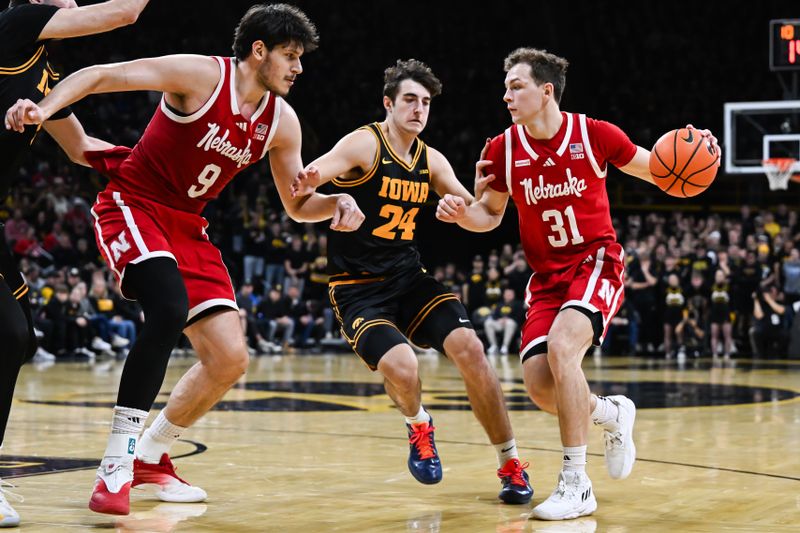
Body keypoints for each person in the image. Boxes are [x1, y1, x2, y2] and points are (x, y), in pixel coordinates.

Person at [6, 2, 364, 516]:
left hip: (188, 225)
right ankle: (116, 464)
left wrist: (337, 204)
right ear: (258, 51)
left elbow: (296, 204)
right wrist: (44, 108)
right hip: (135, 202)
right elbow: (102, 73)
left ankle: (152, 453)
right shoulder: (200, 74)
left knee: (229, 358)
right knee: (169, 309)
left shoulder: (283, 123)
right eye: (290, 55)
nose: (298, 68)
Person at [436, 47, 719, 520]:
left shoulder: (595, 135)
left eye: (516, 86)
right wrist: (463, 214)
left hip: (595, 262)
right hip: (546, 279)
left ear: (546, 90)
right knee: (542, 387)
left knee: (565, 348)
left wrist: (701, 150)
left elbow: (663, 171)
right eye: (505, 86)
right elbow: (489, 216)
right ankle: (611, 413)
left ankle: (576, 482)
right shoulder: (501, 149)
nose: (506, 94)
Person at [291, 59, 532, 504]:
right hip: (357, 287)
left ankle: (510, 462)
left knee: (472, 349)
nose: (419, 109)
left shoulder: (432, 160)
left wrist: (468, 209)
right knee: (403, 368)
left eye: (425, 103)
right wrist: (330, 197)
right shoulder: (363, 144)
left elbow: (484, 219)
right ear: (388, 103)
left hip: (408, 278)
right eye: (409, 100)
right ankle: (419, 424)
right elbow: (302, 190)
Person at [0, 0, 150, 526]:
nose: (75, 2)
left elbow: (81, 147)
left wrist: (158, 168)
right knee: (9, 335)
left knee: (16, 338)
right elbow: (124, 14)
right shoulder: (12, 24)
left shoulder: (43, 69)